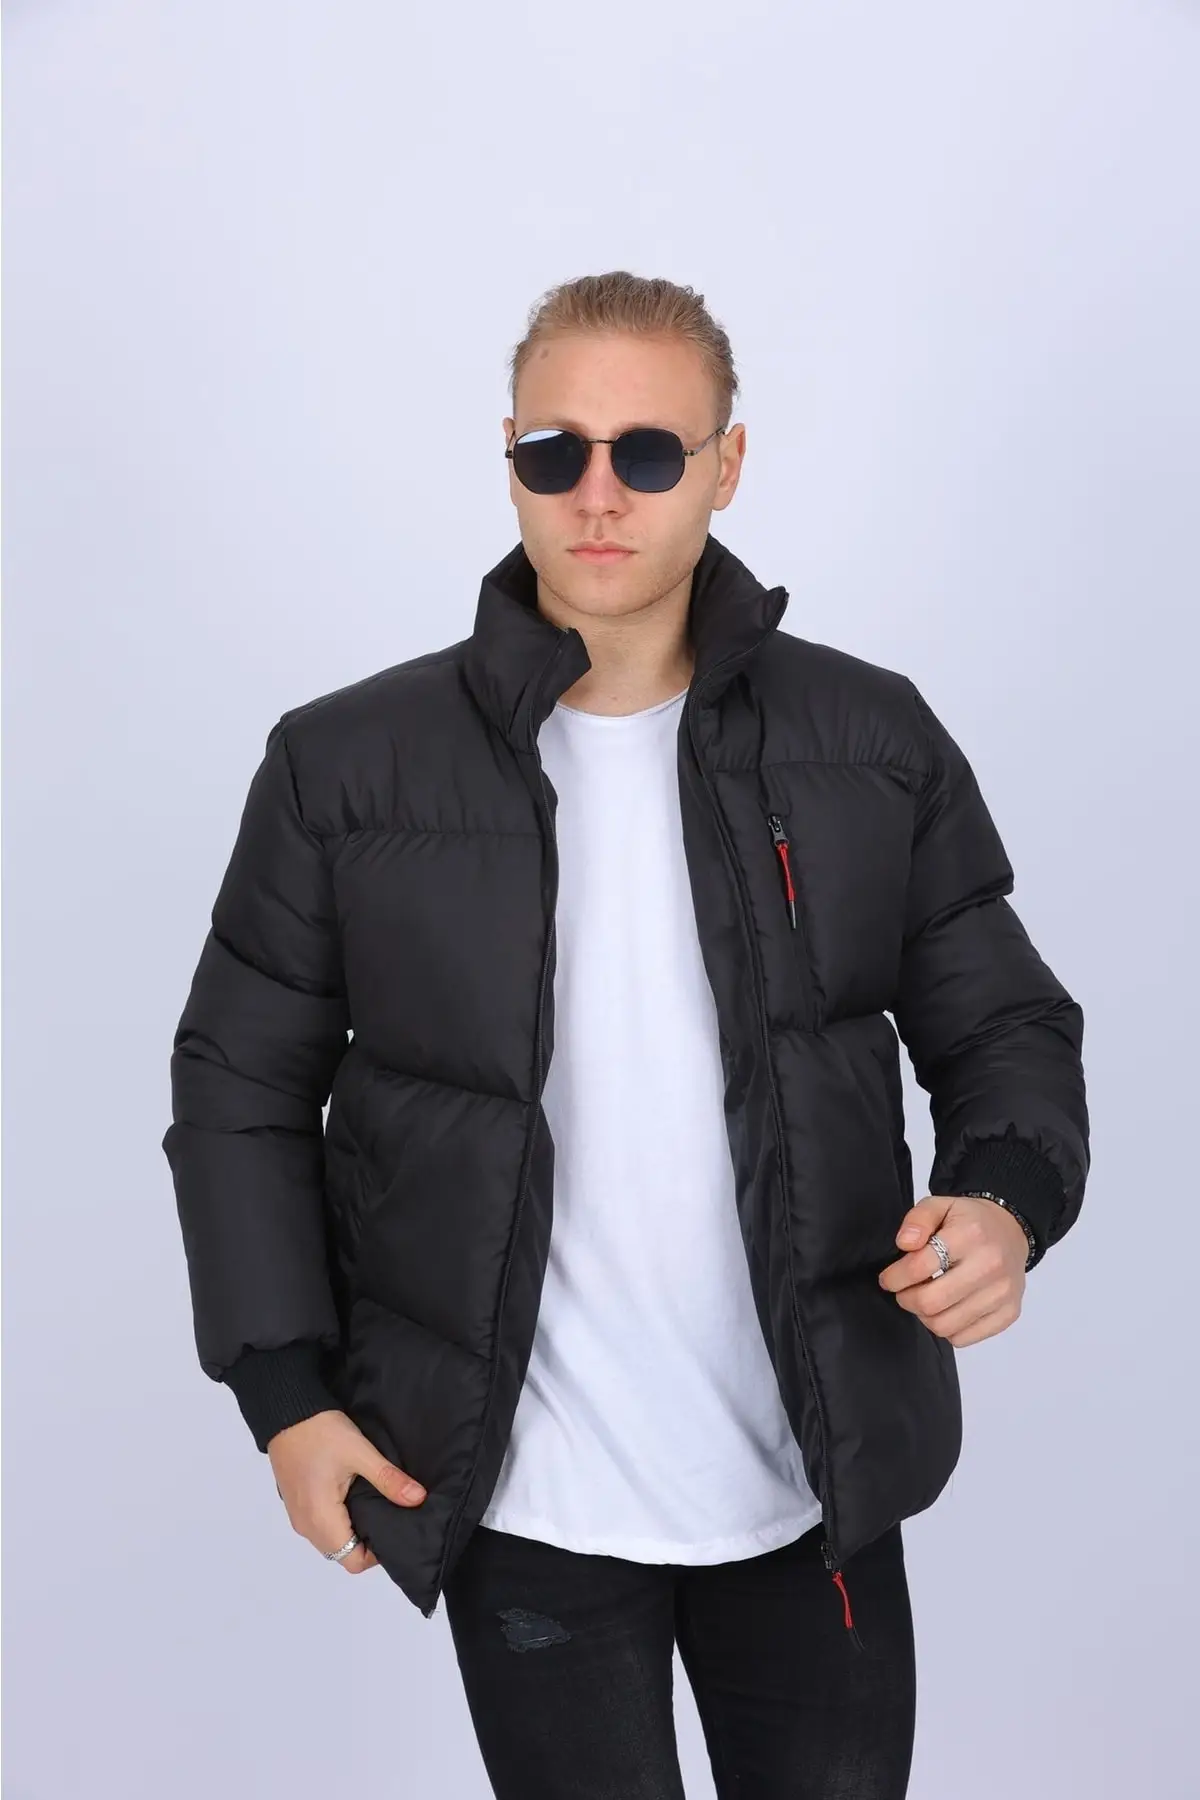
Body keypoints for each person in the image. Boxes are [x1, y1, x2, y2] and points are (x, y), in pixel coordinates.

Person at [163, 269, 1089, 1799]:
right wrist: (286, 1396)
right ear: (510, 461)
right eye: (557, 452)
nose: (599, 495)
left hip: (815, 1481)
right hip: (522, 1500)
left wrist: (1004, 1198)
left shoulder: (869, 741)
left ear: (728, 465)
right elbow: (238, 1091)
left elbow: (1005, 1022)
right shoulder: (344, 766)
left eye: (649, 453)